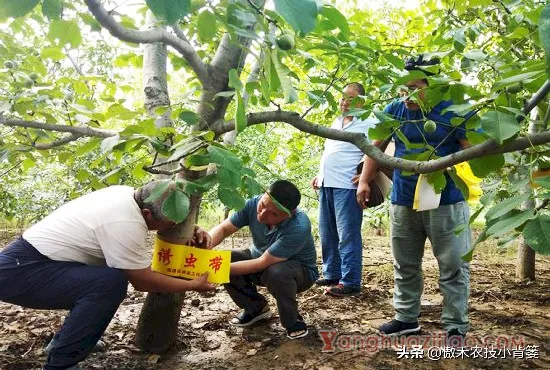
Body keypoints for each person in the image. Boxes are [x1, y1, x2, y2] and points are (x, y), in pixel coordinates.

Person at [0, 181, 215, 370]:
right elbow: (142, 281)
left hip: (34, 262)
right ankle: (61, 363)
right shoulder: (126, 222)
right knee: (108, 285)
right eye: (172, 223)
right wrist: (192, 284)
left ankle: (64, 342)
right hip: (21, 271)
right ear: (148, 215)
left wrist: (191, 227)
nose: (175, 226)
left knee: (103, 282)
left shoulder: (127, 195)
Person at [356, 55, 472, 339]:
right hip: (404, 198)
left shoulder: (454, 110)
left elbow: (473, 150)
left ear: (432, 87)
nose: (406, 94)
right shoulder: (395, 110)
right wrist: (364, 180)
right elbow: (376, 147)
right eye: (402, 88)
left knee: (453, 264)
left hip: (446, 199)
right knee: (405, 262)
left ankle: (455, 324)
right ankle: (406, 318)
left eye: (414, 87)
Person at [203, 180, 318, 339]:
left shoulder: (298, 225)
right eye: (263, 205)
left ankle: (292, 320)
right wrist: (204, 247)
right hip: (259, 260)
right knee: (225, 258)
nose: (263, 214)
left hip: (298, 273)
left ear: (289, 213)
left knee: (276, 272)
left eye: (273, 214)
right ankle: (255, 308)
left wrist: (215, 269)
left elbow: (262, 263)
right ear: (263, 196)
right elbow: (223, 229)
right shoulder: (252, 204)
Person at [311, 82, 377, 297]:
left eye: (351, 98)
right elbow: (332, 151)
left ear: (362, 102)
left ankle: (350, 281)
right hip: (327, 183)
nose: (345, 102)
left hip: (348, 185)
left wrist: (368, 177)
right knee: (327, 231)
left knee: (347, 234)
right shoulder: (336, 121)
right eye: (342, 97)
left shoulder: (369, 122)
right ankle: (332, 274)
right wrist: (320, 174)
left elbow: (378, 151)